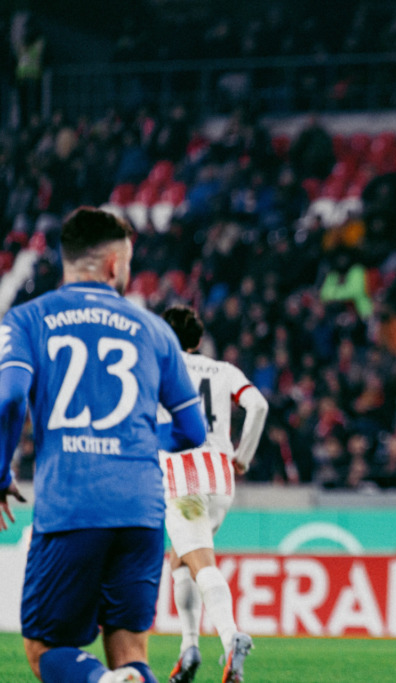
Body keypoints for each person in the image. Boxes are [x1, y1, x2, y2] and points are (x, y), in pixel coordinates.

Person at [0, 207, 206, 683]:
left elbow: (9, 397)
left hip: (73, 504)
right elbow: (193, 431)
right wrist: (134, 438)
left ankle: (100, 681)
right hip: (141, 511)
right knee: (131, 651)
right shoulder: (156, 330)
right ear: (115, 264)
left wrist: (0, 471)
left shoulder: (28, 319)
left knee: (45, 648)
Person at [160, 305, 268, 683]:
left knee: (201, 562)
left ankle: (230, 636)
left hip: (183, 475)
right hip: (221, 477)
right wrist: (243, 457)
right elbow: (258, 405)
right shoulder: (224, 370)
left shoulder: (161, 367)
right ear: (198, 340)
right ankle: (189, 648)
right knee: (181, 559)